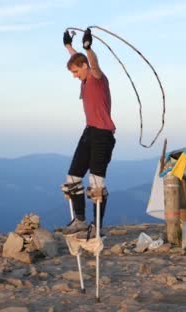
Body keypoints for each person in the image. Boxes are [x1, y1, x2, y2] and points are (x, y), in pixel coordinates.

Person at [61, 28, 116, 235]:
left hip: (103, 135)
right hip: (89, 133)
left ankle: (98, 227)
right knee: (73, 179)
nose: (75, 76)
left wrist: (87, 48)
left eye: (76, 71)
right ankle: (81, 221)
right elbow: (79, 60)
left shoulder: (97, 78)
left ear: (84, 67)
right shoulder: (85, 79)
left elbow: (92, 62)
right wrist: (68, 46)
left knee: (96, 184)